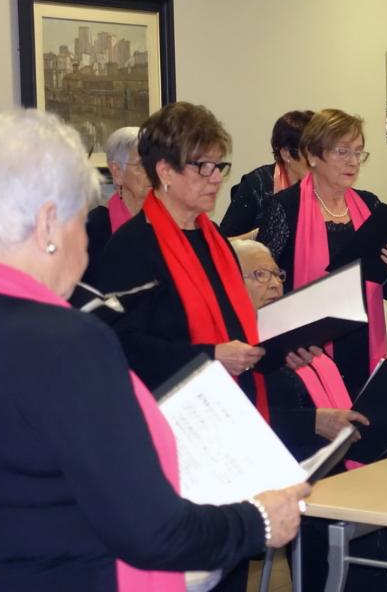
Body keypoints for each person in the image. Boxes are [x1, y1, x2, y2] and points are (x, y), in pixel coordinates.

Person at [0, 109, 310, 592]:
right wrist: (258, 520)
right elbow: (150, 530)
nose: (85, 248)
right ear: (48, 225)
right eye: (79, 222)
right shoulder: (68, 342)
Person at [87, 102, 318, 591]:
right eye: (203, 167)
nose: (215, 179)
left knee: (229, 567)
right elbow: (120, 346)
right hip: (175, 431)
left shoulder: (214, 240)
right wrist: (211, 358)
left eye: (219, 165)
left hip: (229, 423)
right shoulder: (132, 247)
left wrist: (281, 352)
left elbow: (238, 332)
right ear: (165, 172)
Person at [256, 108, 387, 394]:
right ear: (313, 155)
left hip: (362, 342)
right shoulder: (284, 207)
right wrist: (282, 343)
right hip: (305, 348)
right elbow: (262, 284)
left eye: (358, 152)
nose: (353, 161)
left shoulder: (370, 205)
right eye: (342, 152)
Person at [231, 238, 369, 460]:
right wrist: (312, 422)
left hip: (325, 460)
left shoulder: (294, 337)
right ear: (228, 282)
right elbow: (237, 420)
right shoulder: (230, 350)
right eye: (260, 274)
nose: (275, 284)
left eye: (277, 274)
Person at [219, 110, 314, 238]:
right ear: (286, 153)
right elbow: (225, 241)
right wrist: (261, 236)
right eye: (311, 153)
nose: (318, 161)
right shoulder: (257, 184)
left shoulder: (326, 186)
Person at [84, 127, 151, 280]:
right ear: (117, 171)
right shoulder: (91, 229)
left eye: (156, 164)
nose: (154, 173)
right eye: (142, 165)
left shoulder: (171, 222)